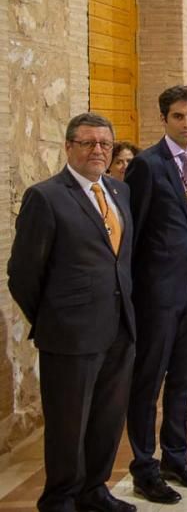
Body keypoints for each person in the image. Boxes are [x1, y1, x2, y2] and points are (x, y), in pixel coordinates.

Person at [8, 113, 137, 512]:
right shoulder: (46, 196)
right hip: (70, 336)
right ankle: (60, 498)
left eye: (105, 144)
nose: (98, 150)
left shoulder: (118, 191)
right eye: (87, 143)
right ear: (68, 147)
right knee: (68, 425)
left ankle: (94, 490)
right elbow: (23, 274)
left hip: (119, 327)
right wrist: (54, 319)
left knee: (107, 418)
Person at [124, 86, 187, 503]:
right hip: (157, 290)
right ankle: (144, 466)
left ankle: (175, 457)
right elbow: (135, 232)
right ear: (164, 119)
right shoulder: (146, 165)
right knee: (149, 380)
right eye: (179, 116)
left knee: (182, 377)